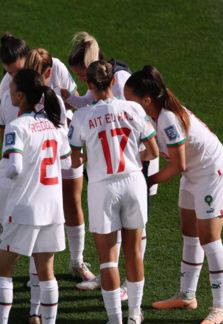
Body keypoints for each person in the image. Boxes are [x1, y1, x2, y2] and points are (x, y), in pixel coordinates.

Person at [124, 65, 223, 324]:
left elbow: (178, 165)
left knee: (210, 239)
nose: (128, 105)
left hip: (212, 175)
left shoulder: (167, 120)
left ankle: (221, 307)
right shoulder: (153, 115)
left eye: (131, 100)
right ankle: (187, 296)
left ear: (147, 100)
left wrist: (147, 181)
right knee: (189, 233)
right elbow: (152, 152)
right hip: (194, 175)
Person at [0, 69, 69, 324]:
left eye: (12, 88)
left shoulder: (17, 127)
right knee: (46, 272)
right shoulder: (53, 126)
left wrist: (5, 172)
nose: (10, 93)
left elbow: (13, 167)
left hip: (24, 209)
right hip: (53, 209)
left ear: (21, 95)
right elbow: (63, 161)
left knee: (4, 269)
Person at [68, 60, 159, 324]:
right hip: (133, 183)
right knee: (133, 251)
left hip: (102, 188)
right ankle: (134, 313)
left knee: (108, 259)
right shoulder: (133, 109)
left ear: (91, 86)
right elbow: (153, 151)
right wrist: (131, 159)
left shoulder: (82, 116)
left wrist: (89, 160)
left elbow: (75, 159)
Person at [61, 32, 155, 294]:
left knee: (134, 229)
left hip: (134, 158)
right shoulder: (103, 81)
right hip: (116, 160)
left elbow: (129, 118)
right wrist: (66, 97)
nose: (80, 79)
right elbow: (91, 104)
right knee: (116, 226)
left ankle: (127, 284)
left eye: (81, 76)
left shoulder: (121, 79)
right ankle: (111, 278)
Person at [0, 33, 45, 324]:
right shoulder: (28, 88)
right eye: (8, 72)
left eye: (15, 71)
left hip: (16, 176)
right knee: (20, 243)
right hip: (34, 178)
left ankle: (27, 312)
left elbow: (6, 130)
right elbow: (4, 130)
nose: (11, 78)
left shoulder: (29, 87)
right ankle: (5, 309)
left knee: (25, 245)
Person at [25, 47, 96, 284]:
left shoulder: (58, 68)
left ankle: (77, 262)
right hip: (41, 151)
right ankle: (37, 270)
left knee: (73, 201)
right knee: (41, 204)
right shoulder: (19, 84)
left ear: (48, 71)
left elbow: (75, 101)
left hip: (66, 144)